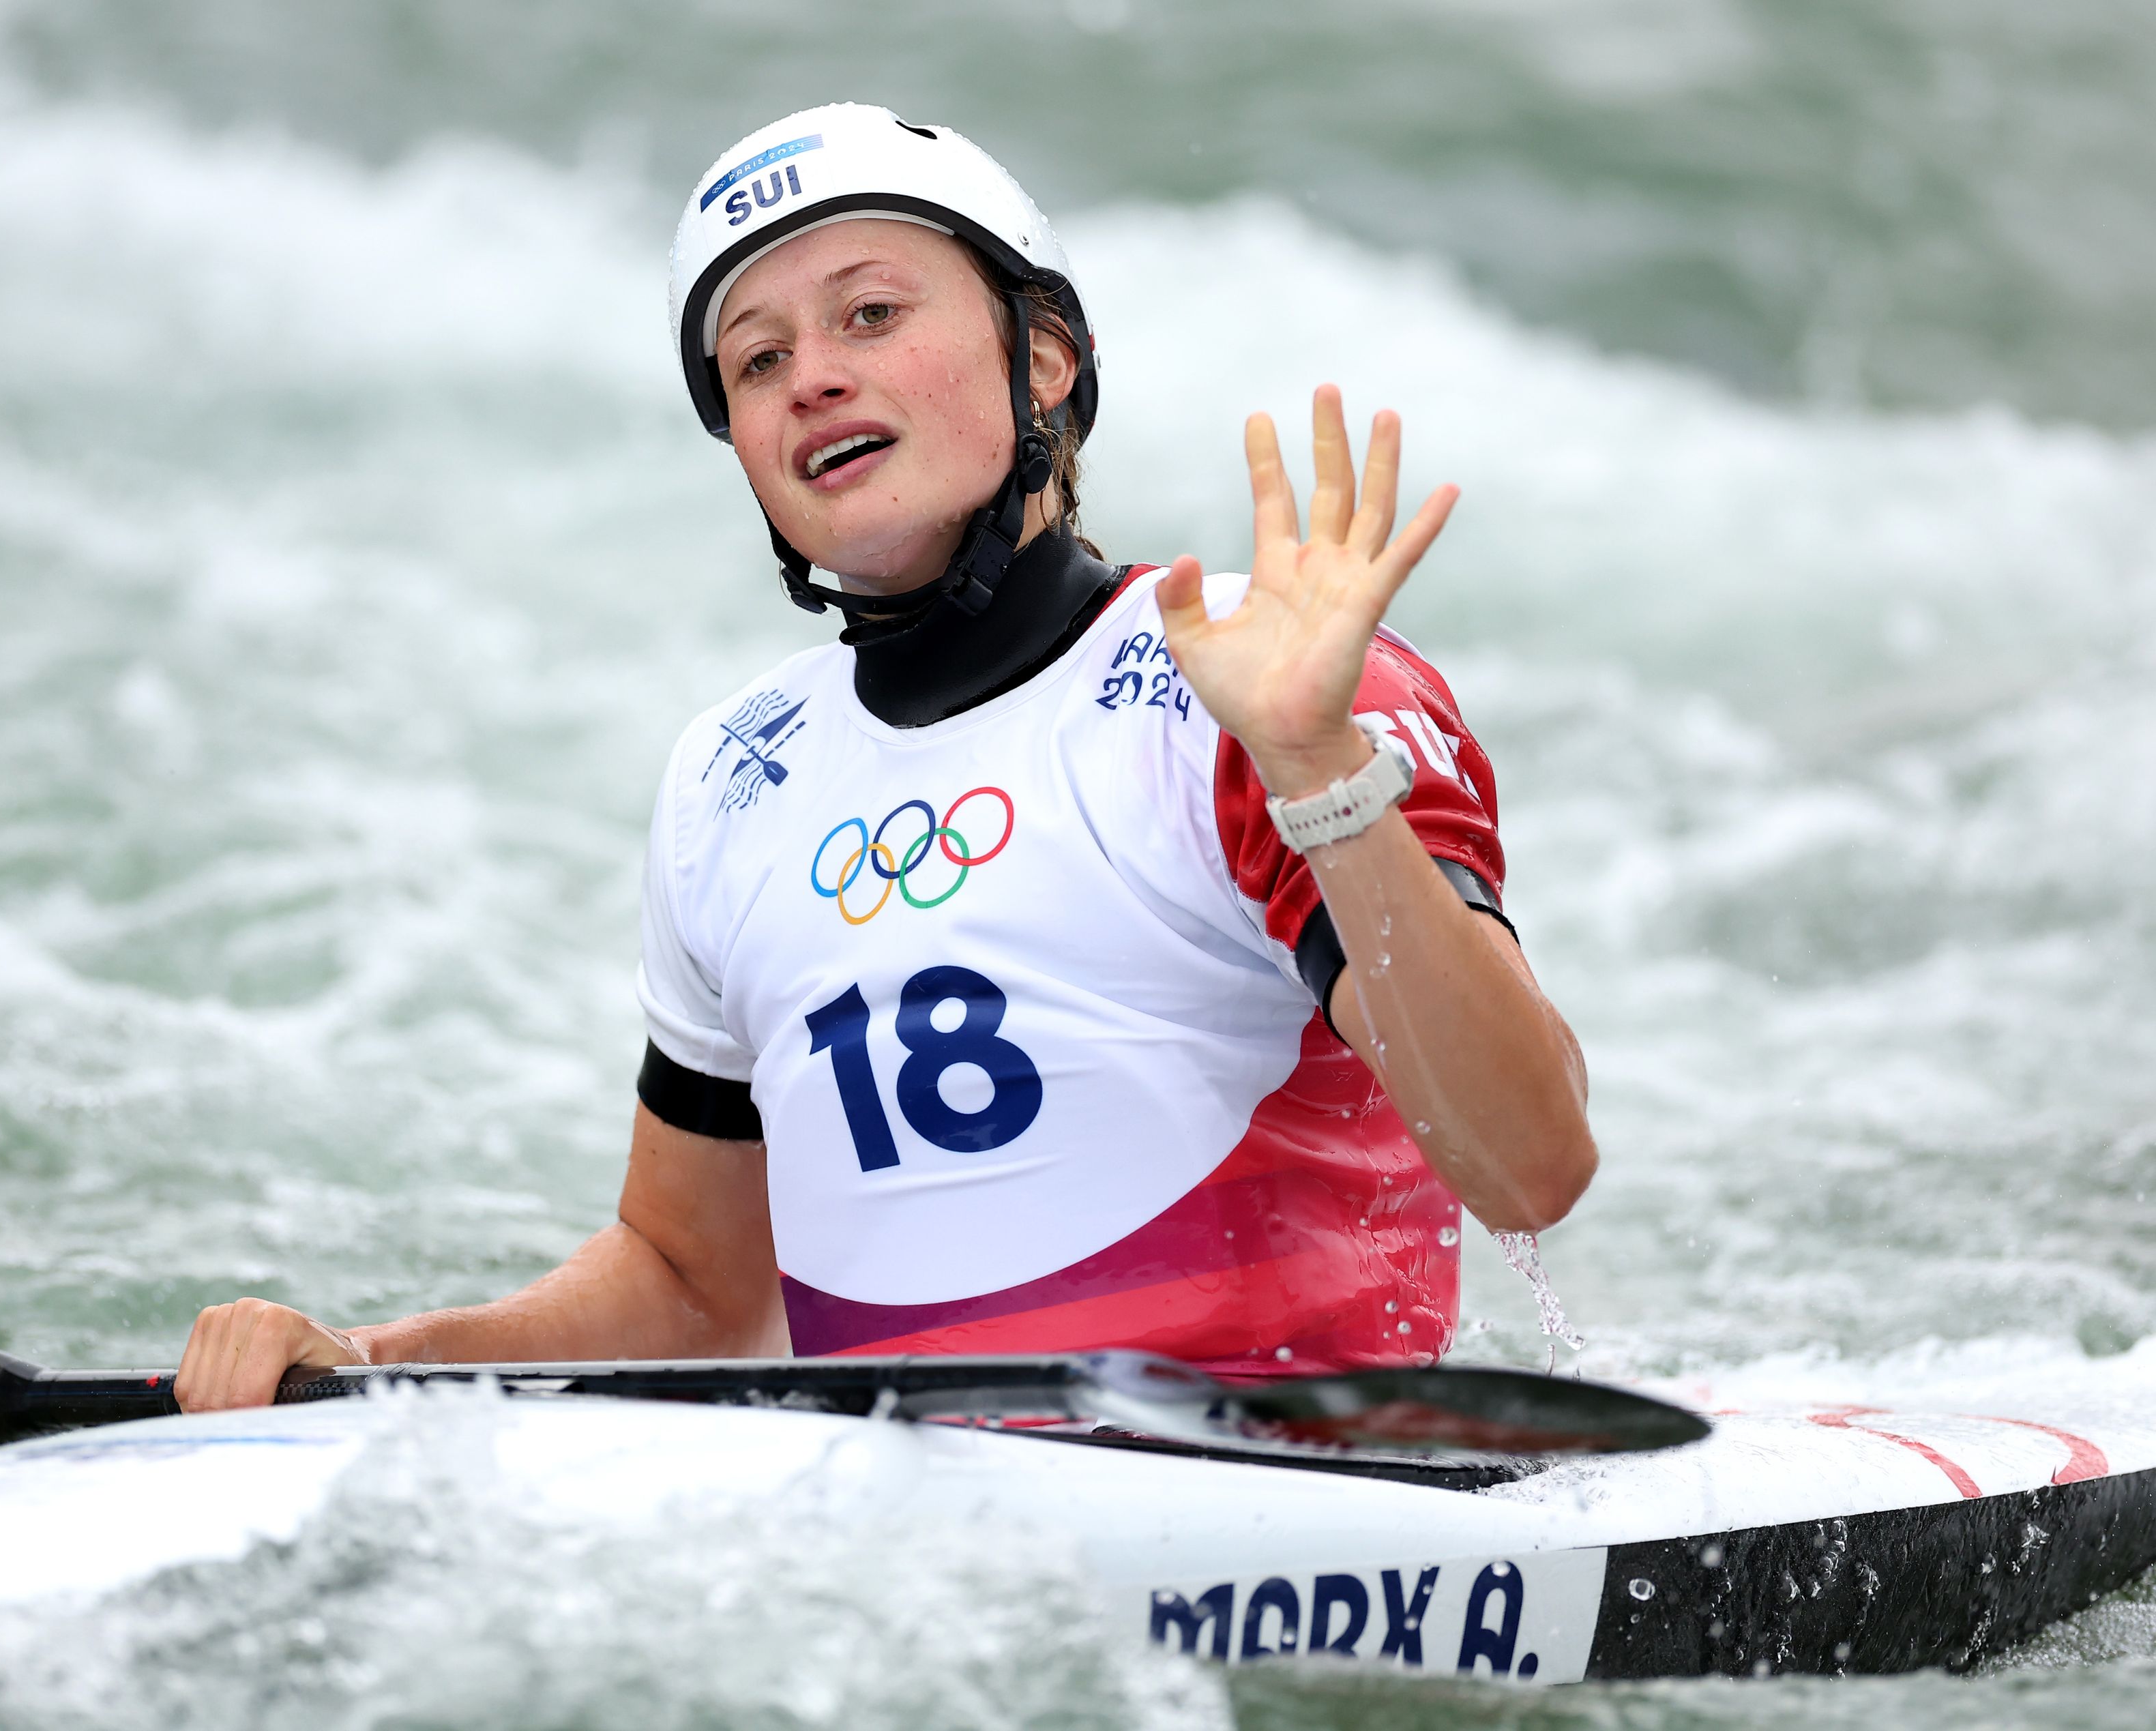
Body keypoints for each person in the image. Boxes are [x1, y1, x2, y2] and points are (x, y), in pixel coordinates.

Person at [175, 104, 1595, 1410]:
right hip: (914, 1568)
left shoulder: (1258, 677)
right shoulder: (734, 778)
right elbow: (693, 1289)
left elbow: (1526, 1168)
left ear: (1041, 358)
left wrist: (1313, 770)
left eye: (869, 313)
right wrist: (364, 1363)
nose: (811, 381)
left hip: (1301, 1493)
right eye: (759, 360)